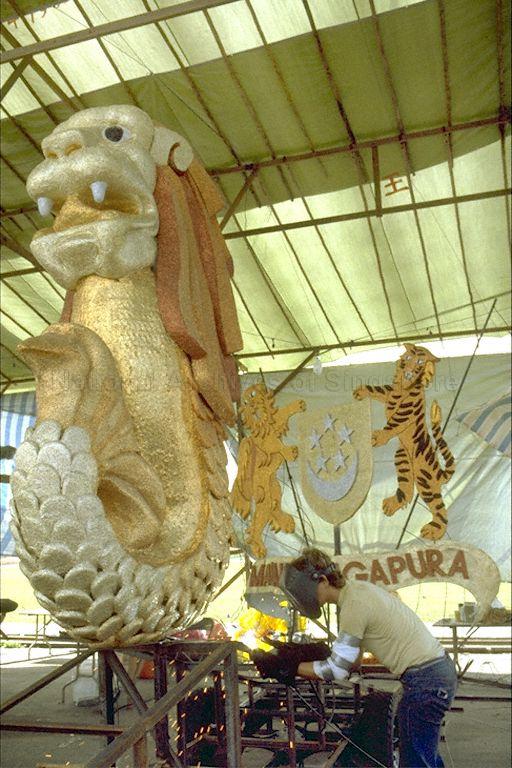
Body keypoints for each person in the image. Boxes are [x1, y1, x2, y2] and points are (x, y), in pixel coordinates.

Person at [277, 547, 457, 768]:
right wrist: (319, 656)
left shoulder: (354, 605)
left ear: (323, 581)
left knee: (416, 763)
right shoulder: (357, 591)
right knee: (424, 756)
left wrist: (291, 666)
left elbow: (337, 670)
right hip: (434, 674)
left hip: (426, 680)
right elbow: (354, 662)